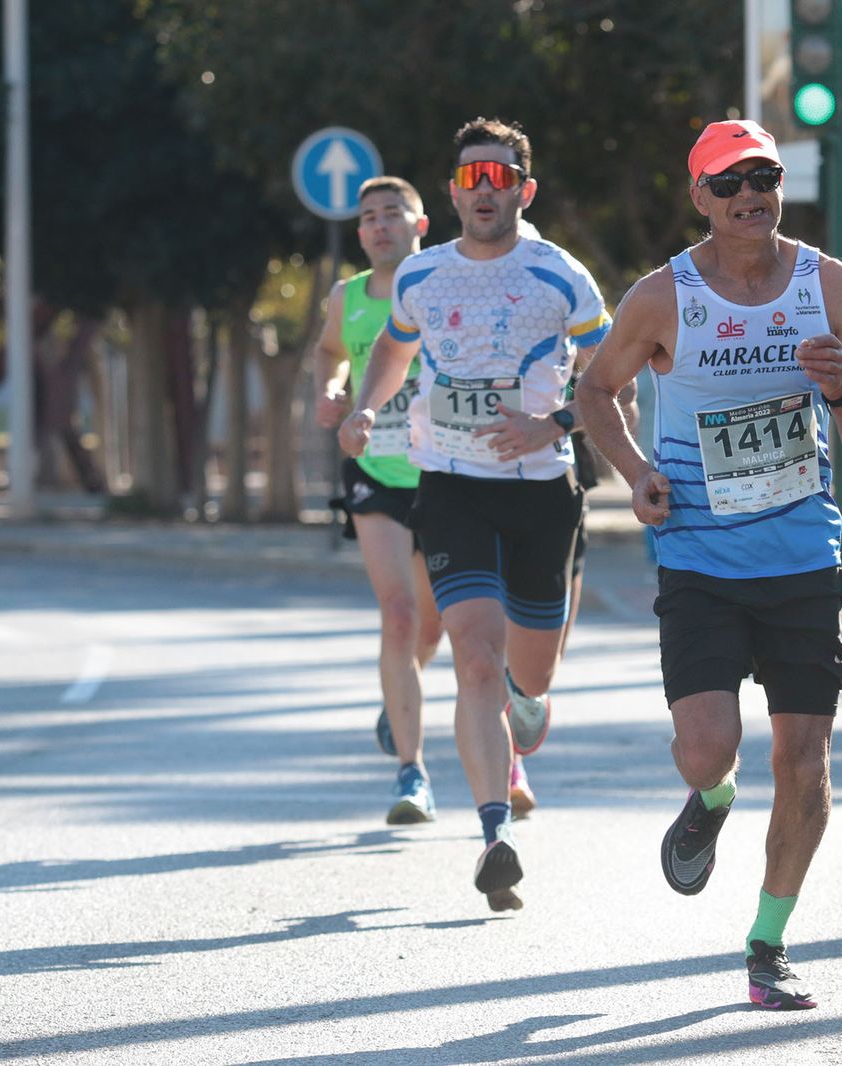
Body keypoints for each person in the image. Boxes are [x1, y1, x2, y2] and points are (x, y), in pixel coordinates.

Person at [576, 119, 842, 1010]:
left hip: (800, 555)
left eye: (765, 176)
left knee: (804, 762)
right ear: (701, 198)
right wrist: (636, 473)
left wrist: (839, 392)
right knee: (708, 748)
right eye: (730, 182)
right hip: (700, 559)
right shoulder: (662, 296)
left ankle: (768, 943)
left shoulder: (831, 286)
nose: (750, 193)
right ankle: (709, 801)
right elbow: (595, 390)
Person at [339, 118, 612, 912]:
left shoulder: (561, 277)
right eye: (469, 179)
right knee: (474, 661)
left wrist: (554, 423)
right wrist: (363, 408)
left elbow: (613, 374)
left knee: (528, 680)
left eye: (499, 178)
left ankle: (529, 712)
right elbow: (393, 350)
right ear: (454, 191)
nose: (482, 190)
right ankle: (496, 835)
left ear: (524, 190)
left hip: (540, 491)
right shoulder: (423, 277)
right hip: (451, 486)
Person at [314, 176, 444, 825]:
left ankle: (399, 699)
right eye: (369, 217)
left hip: (445, 473)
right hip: (375, 473)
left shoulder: (444, 285)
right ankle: (411, 773)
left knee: (431, 624)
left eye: (395, 212)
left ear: (421, 225)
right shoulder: (346, 297)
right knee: (397, 615)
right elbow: (329, 353)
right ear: (360, 231)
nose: (381, 224)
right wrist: (331, 391)